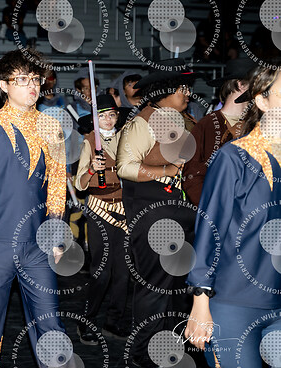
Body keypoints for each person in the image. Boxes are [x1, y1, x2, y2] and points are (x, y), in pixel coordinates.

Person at [0, 49, 68, 366]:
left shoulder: (51, 127)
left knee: (51, 324)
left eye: (35, 79)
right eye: (22, 79)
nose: (31, 85)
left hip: (38, 246)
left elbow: (57, 187)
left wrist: (56, 237)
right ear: (4, 86)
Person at [185, 62, 281, 367]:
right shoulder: (234, 157)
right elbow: (210, 229)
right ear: (262, 100)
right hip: (234, 302)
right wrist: (200, 300)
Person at [116, 58, 201, 367]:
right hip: (154, 216)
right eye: (181, 88)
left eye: (188, 88)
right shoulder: (143, 122)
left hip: (182, 213)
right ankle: (142, 354)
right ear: (164, 91)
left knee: (179, 288)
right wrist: (168, 170)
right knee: (155, 287)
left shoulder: (185, 120)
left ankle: (173, 347)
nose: (187, 94)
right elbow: (125, 167)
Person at [74, 94, 131, 345]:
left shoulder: (127, 138)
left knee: (124, 272)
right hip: (99, 209)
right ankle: (86, 321)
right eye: (102, 116)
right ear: (95, 120)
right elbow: (79, 184)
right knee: (101, 272)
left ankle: (113, 321)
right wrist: (91, 170)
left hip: (125, 208)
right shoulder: (89, 142)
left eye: (112, 115)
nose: (108, 119)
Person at [182, 58, 255, 206]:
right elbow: (192, 177)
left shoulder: (256, 124)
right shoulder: (207, 126)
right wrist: (213, 208)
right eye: (255, 83)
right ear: (240, 85)